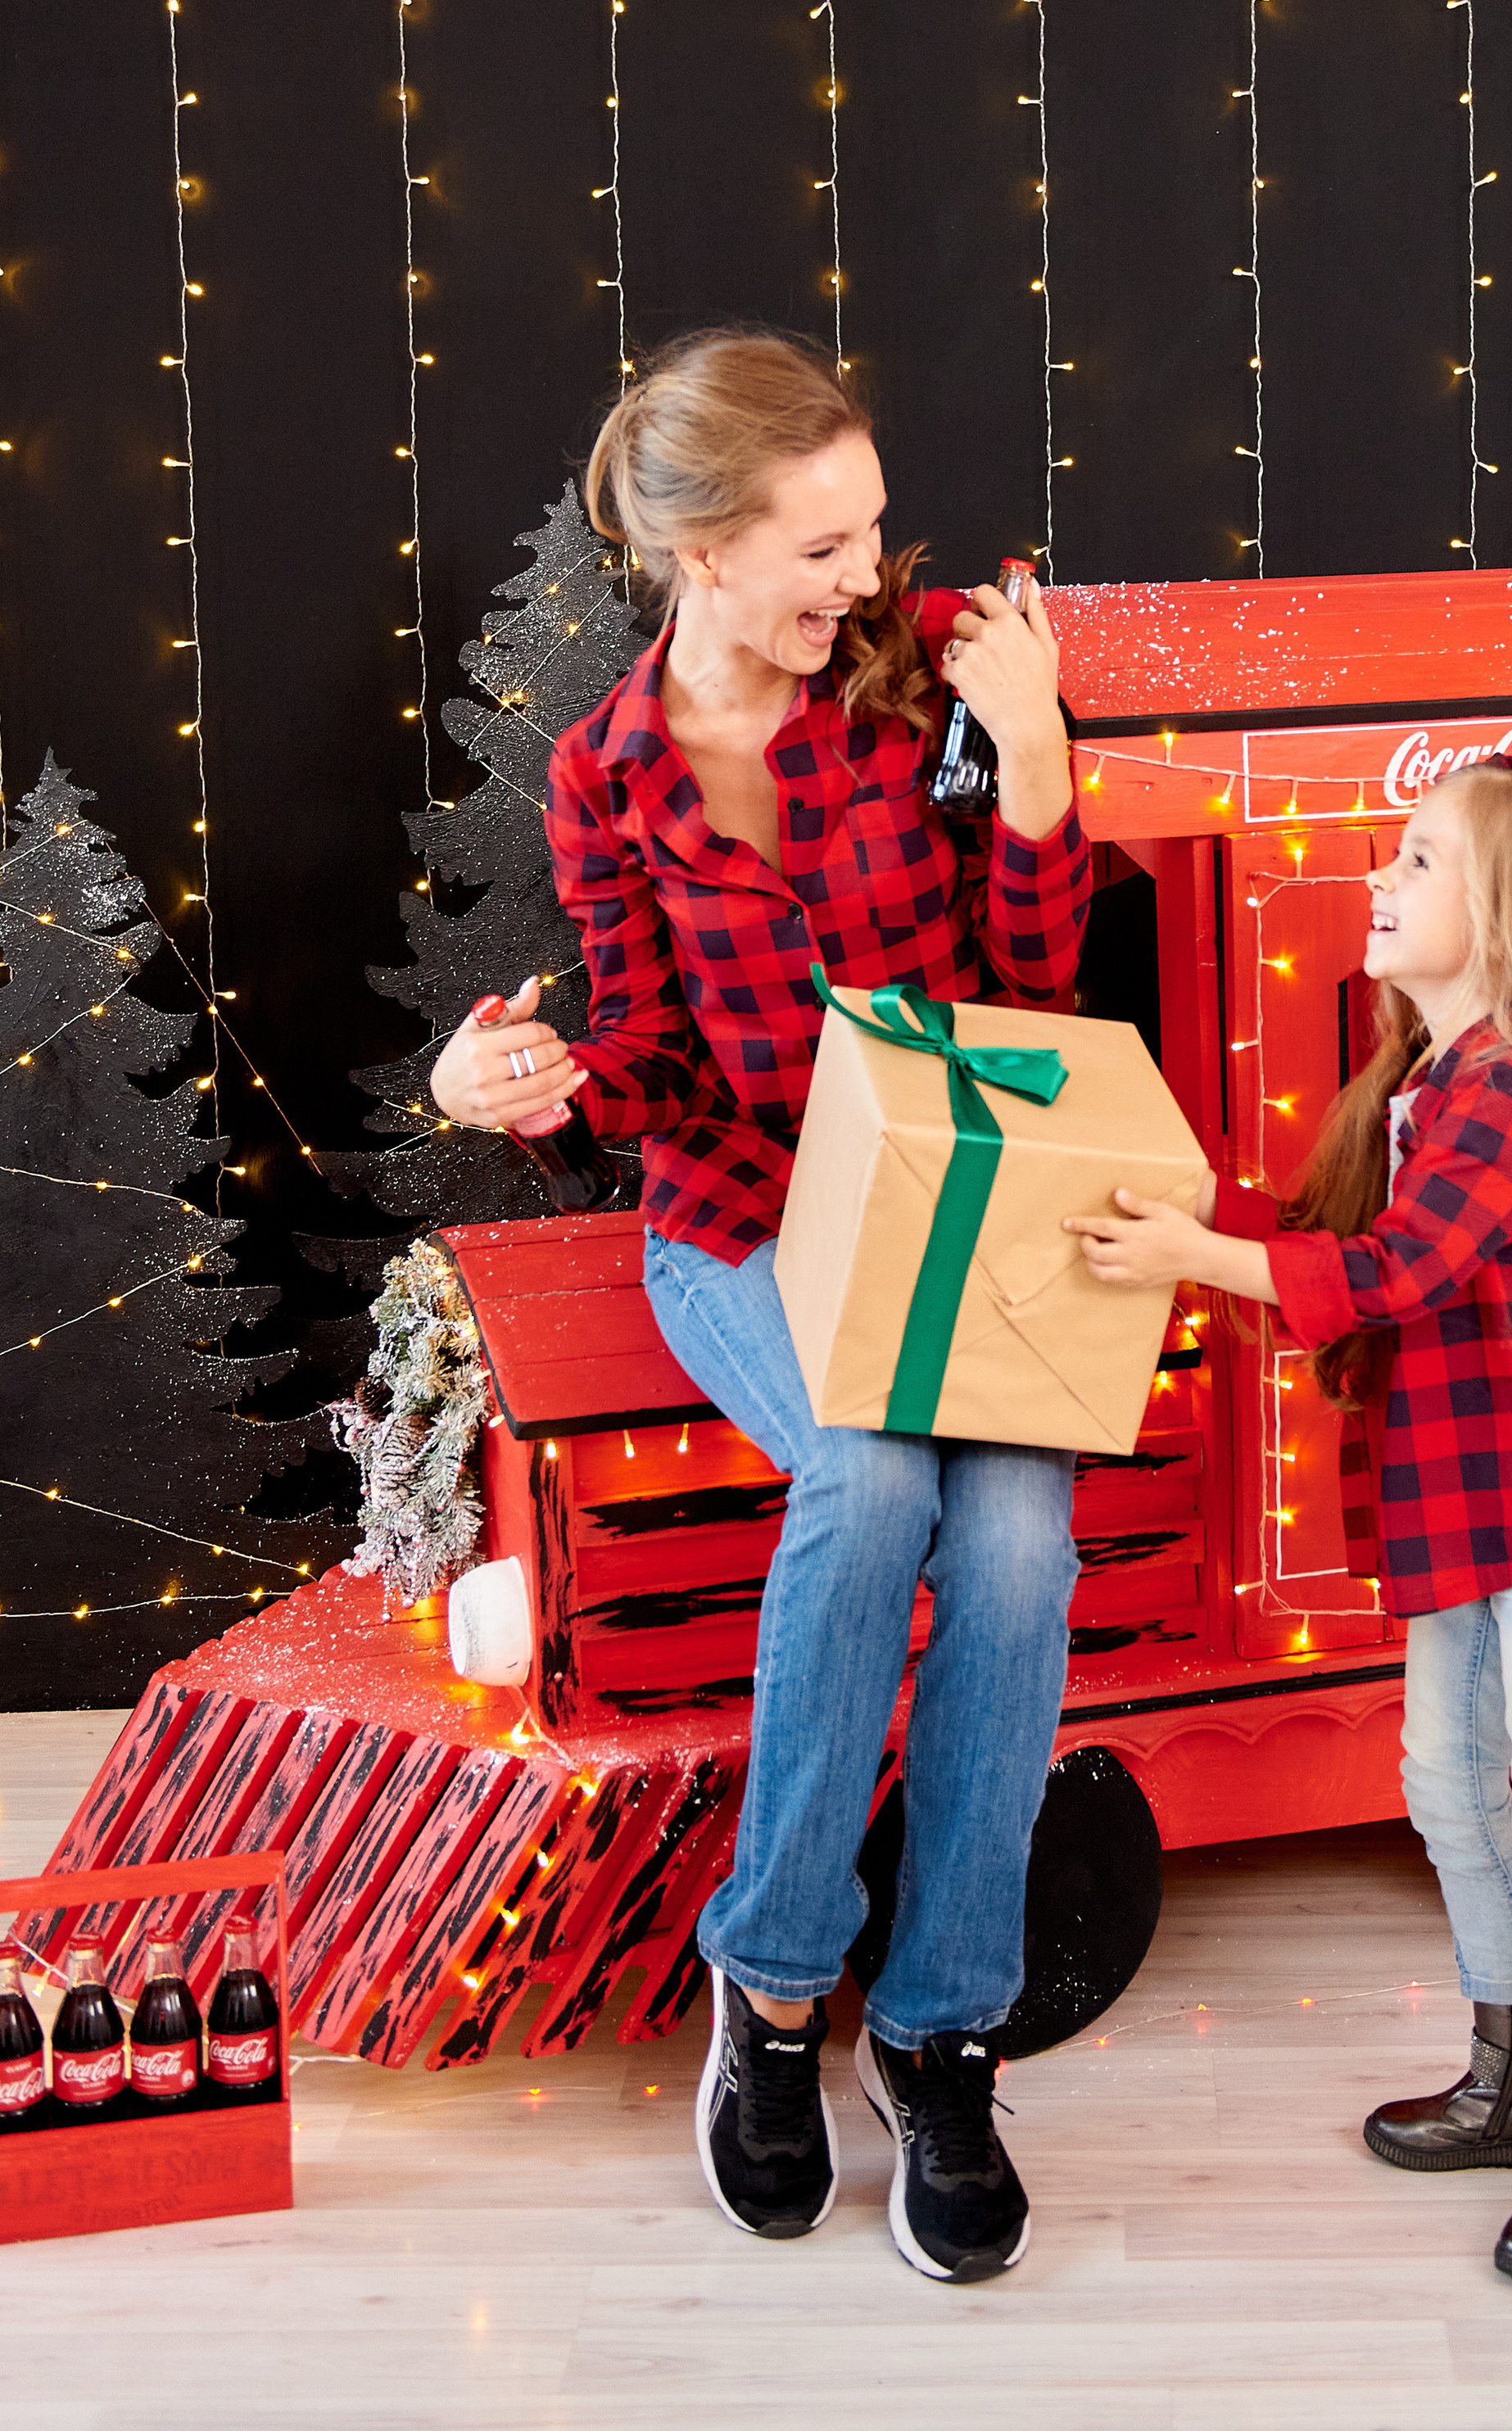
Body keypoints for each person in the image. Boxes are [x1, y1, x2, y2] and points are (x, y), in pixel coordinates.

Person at [428, 327, 1089, 2285]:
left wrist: (1041, 760)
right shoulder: (606, 776)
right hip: (740, 1219)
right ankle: (777, 1989)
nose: (868, 578)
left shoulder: (932, 665)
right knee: (877, 1483)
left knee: (1023, 1538)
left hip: (954, 1203)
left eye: (875, 528)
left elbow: (1028, 991)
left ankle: (939, 2025)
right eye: (820, 547)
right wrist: (525, 1090)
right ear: (699, 556)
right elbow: (643, 1060)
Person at [1066, 745, 1512, 2293]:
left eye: (1419, 860)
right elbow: (1338, 1231)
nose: (1382, 876)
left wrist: (1183, 1258)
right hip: (1461, 1500)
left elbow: (1388, 1277)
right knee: (1440, 1785)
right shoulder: (1429, 1084)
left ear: (1502, 915)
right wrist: (1191, 1208)